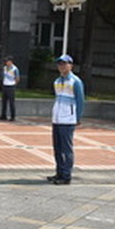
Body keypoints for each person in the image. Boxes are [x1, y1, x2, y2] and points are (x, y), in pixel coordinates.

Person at [47, 54, 84, 185]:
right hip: (57, 119)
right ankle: (59, 172)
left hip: (68, 119)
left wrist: (78, 117)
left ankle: (66, 175)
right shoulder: (57, 81)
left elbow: (80, 101)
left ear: (71, 65)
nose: (62, 66)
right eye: (60, 64)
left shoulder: (75, 81)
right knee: (57, 148)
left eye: (65, 64)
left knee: (66, 149)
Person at [0, 56, 20, 121]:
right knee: (4, 102)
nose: (6, 63)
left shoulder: (15, 69)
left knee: (11, 102)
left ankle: (13, 116)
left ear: (11, 62)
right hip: (5, 85)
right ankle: (3, 115)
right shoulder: (4, 68)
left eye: (7, 61)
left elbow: (17, 78)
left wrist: (14, 84)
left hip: (11, 86)